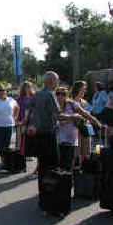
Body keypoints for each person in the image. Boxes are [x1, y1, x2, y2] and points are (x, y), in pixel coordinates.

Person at [30, 71, 82, 211]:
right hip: (49, 134)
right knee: (52, 167)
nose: (57, 84)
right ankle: (51, 199)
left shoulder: (37, 94)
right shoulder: (49, 95)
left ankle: (43, 198)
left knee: (42, 167)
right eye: (56, 81)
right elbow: (58, 116)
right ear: (51, 81)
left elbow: (31, 113)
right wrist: (74, 117)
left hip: (39, 134)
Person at [56, 87, 101, 171]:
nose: (60, 96)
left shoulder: (72, 104)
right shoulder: (54, 105)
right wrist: (72, 118)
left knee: (70, 158)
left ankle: (69, 176)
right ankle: (61, 178)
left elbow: (84, 114)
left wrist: (96, 122)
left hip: (71, 137)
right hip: (58, 137)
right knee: (60, 160)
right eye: (58, 94)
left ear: (66, 95)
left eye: (63, 94)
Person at [16, 81, 37, 177]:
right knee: (20, 142)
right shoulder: (19, 99)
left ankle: (29, 155)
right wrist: (17, 121)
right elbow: (17, 111)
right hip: (21, 123)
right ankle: (20, 162)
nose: (27, 89)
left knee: (31, 141)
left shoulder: (35, 98)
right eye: (25, 87)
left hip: (32, 123)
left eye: (29, 87)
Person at [71, 81, 93, 169]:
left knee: (85, 153)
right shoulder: (70, 101)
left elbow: (90, 115)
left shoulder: (84, 102)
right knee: (75, 154)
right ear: (78, 89)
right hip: (74, 130)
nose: (84, 91)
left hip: (85, 129)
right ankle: (71, 174)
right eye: (83, 89)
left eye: (85, 89)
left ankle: (82, 171)